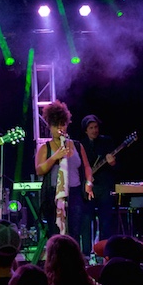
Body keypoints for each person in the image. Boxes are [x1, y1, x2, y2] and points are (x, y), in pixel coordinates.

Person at [35, 100, 94, 254]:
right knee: (56, 232)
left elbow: (86, 167)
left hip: (74, 192)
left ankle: (76, 261)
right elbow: (39, 170)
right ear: (50, 127)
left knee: (75, 231)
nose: (60, 128)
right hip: (54, 194)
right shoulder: (45, 148)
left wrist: (89, 182)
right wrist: (55, 156)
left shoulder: (77, 145)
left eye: (63, 124)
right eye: (56, 125)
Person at [79, 114, 118, 247]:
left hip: (104, 186)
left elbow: (116, 167)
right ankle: (86, 253)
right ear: (86, 130)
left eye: (96, 127)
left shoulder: (107, 142)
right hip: (87, 188)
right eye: (91, 128)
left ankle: (104, 251)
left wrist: (112, 163)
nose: (95, 130)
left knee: (105, 220)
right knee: (86, 219)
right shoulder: (80, 145)